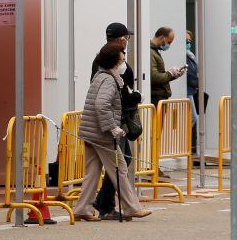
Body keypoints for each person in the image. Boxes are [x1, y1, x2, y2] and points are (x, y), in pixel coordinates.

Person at [73, 43, 151, 222]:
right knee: (120, 169)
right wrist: (112, 127)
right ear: (114, 61)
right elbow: (101, 105)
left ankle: (82, 209)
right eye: (122, 59)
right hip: (103, 135)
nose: (124, 62)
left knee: (92, 172)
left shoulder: (100, 76)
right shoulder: (109, 80)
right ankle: (132, 207)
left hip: (90, 132)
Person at [92, 23, 140, 219]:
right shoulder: (112, 61)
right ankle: (112, 205)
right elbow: (112, 95)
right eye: (126, 37)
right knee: (120, 162)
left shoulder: (102, 57)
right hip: (112, 121)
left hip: (108, 120)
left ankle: (91, 205)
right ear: (122, 39)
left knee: (98, 167)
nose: (127, 41)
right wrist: (134, 97)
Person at [185, 30, 208, 155]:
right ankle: (185, 146)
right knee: (192, 117)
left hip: (192, 90)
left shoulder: (190, 55)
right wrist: (198, 82)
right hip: (187, 90)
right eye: (186, 41)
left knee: (192, 117)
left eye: (189, 41)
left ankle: (188, 146)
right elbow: (189, 75)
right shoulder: (184, 56)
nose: (188, 43)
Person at [149, 26, 184, 106]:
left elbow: (161, 77)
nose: (169, 45)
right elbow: (154, 77)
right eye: (169, 42)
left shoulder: (155, 52)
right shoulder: (151, 52)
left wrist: (174, 75)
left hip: (159, 97)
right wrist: (170, 74)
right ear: (162, 38)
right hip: (156, 98)